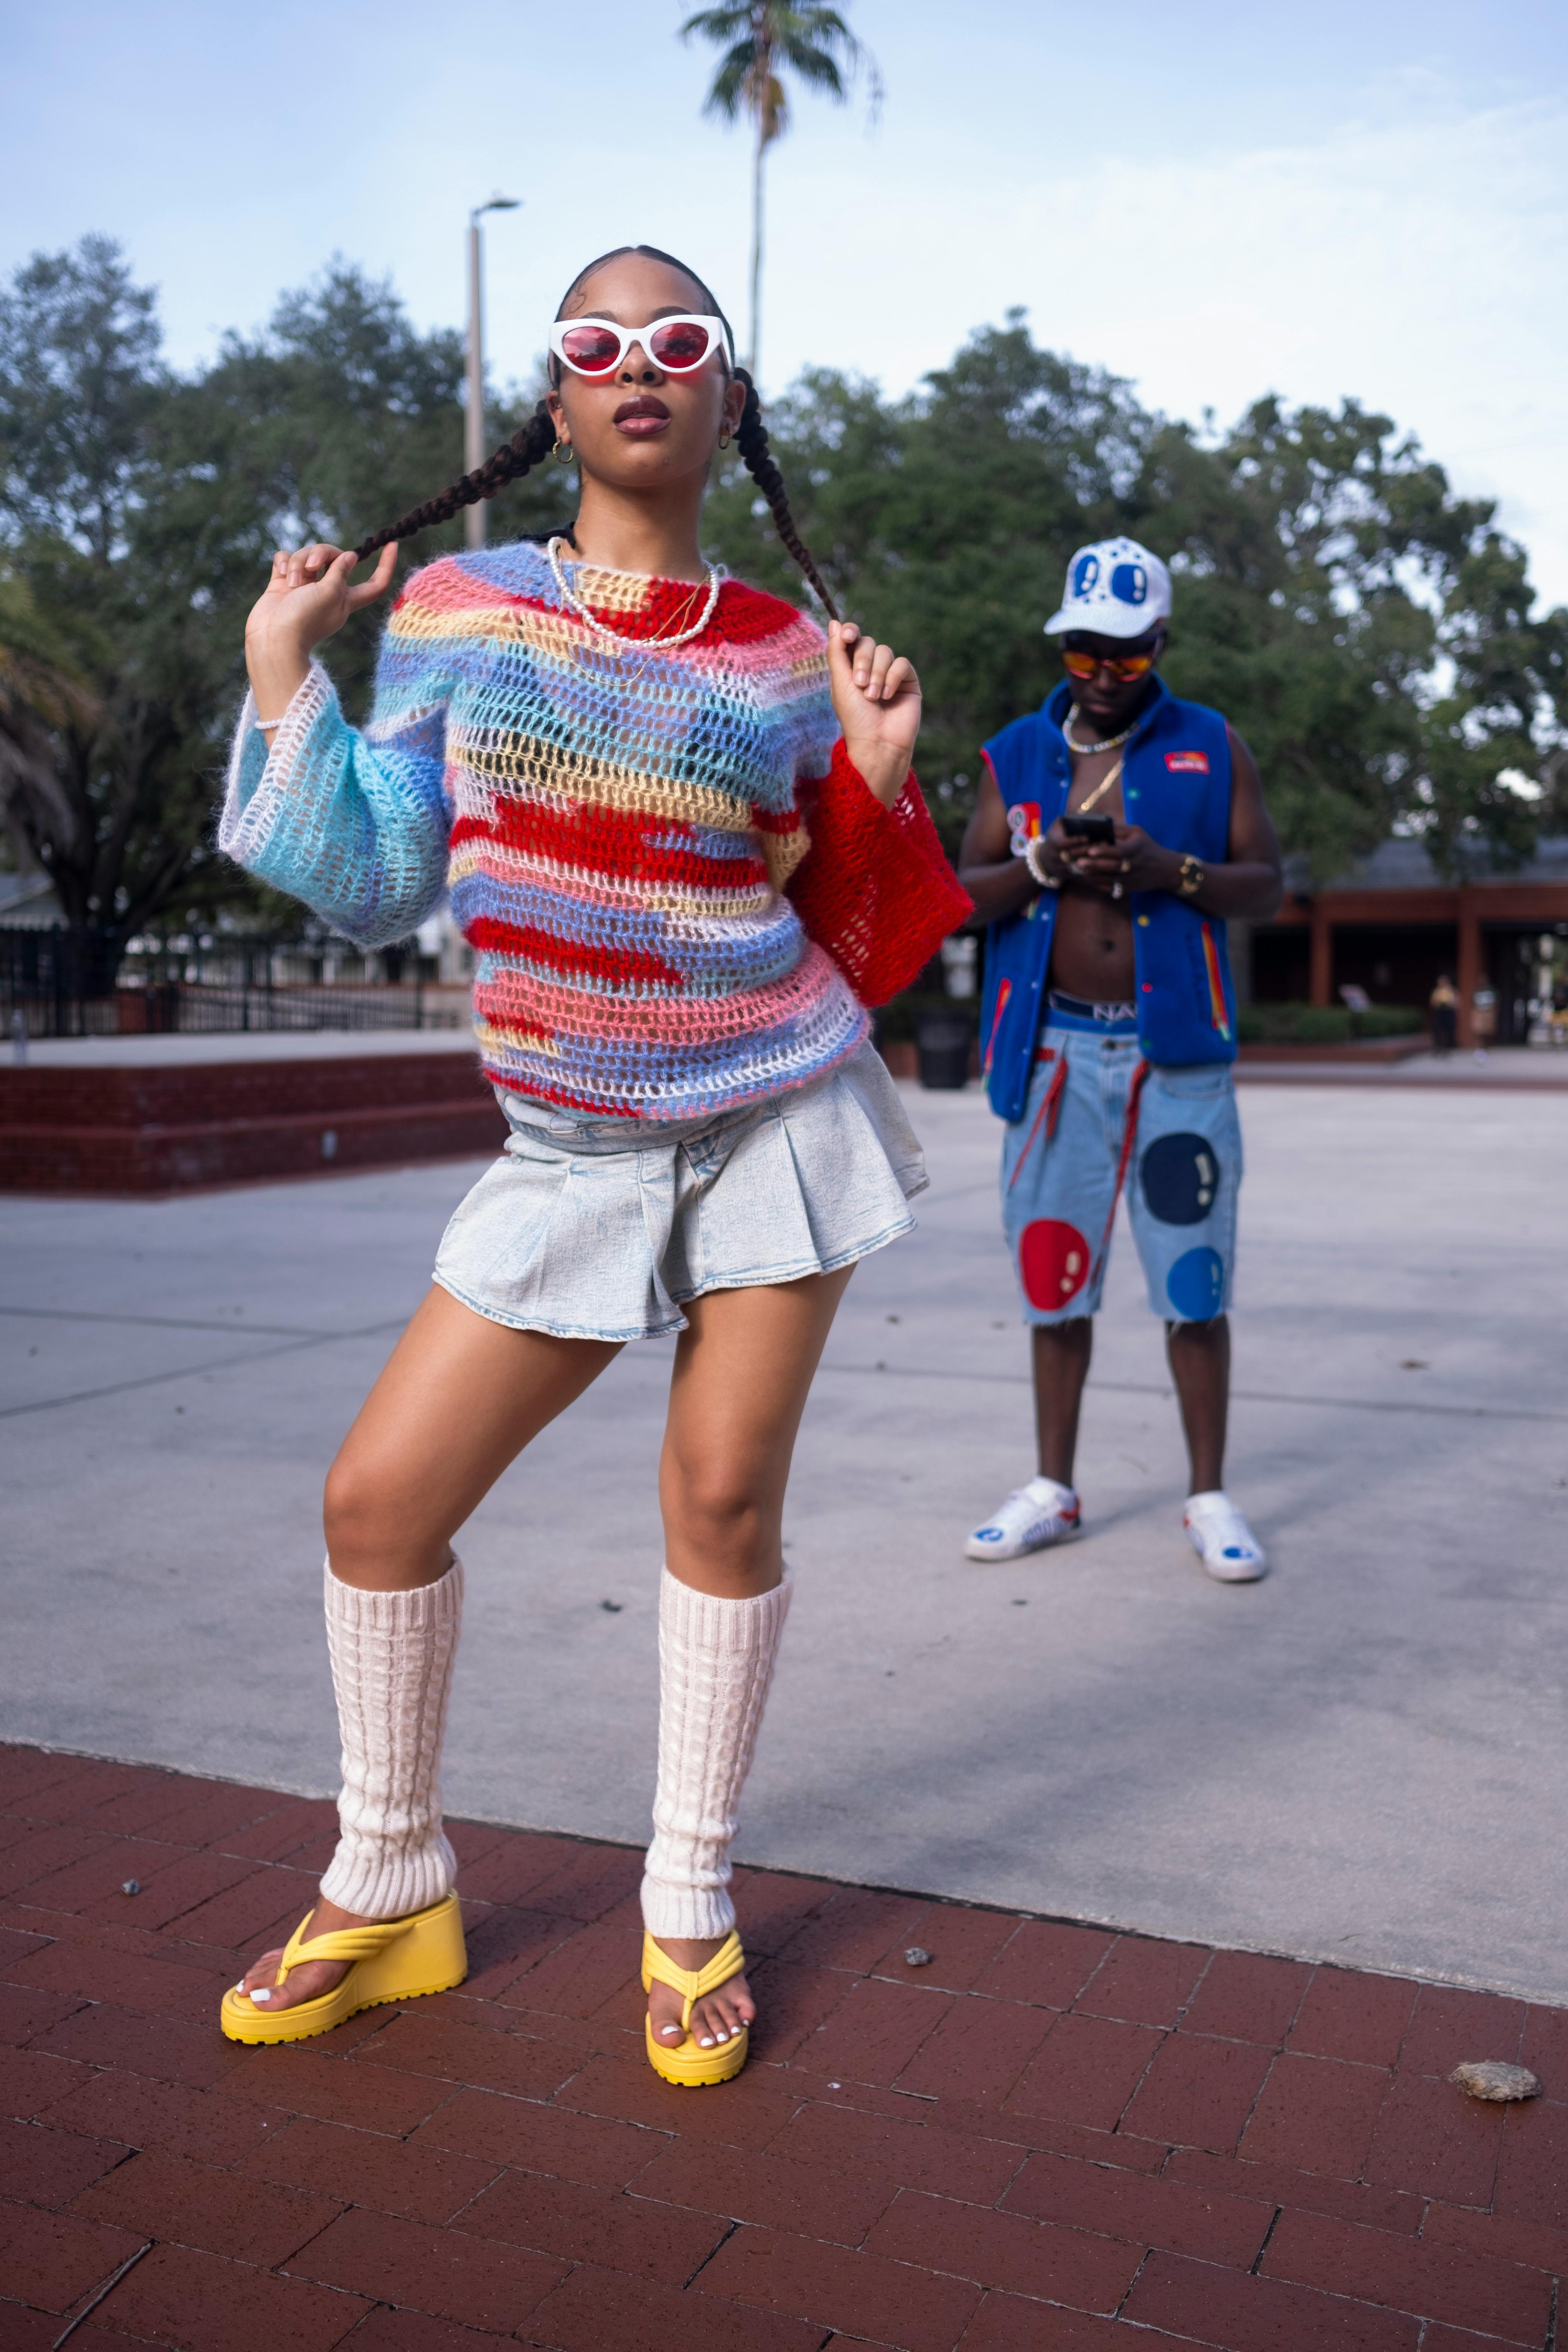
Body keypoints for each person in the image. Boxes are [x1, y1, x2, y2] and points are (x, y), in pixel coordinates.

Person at [217, 245, 969, 2084]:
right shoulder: (463, 610)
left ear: (726, 398)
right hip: (566, 1147)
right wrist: (277, 664)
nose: (638, 364)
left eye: (679, 341)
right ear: (555, 405)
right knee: (378, 1504)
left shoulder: (790, 660)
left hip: (774, 1116)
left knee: (718, 1504)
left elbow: (845, 934)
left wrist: (875, 773)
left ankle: (687, 1893)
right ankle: (392, 1876)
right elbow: (387, 864)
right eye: (595, 343)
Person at [956, 537, 1283, 1581]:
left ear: (1161, 646)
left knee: (1195, 1282)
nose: (1104, 675)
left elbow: (1265, 884)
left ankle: (1208, 1495)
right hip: (1051, 1051)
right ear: (1065, 643)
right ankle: (1054, 1486)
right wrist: (1043, 862)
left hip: (1175, 1057)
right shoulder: (1013, 753)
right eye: (1086, 652)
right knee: (1055, 1278)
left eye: (1130, 658)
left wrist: (1168, 868)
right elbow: (961, 897)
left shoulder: (1209, 742)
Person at [1429, 973, 1458, 1055]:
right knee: (1437, 1029)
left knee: (1448, 1030)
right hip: (1439, 1012)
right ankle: (1439, 1046)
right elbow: (1433, 1002)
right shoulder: (1437, 991)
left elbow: (1456, 1001)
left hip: (1448, 1011)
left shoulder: (1452, 990)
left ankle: (1447, 1047)